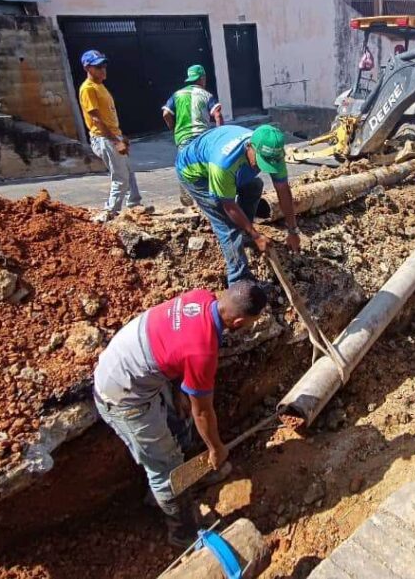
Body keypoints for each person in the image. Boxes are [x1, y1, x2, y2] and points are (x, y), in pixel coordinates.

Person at [94, 281, 269, 547]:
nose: (248, 328)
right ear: (238, 321)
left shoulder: (202, 298)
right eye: (249, 323)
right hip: (123, 395)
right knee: (166, 469)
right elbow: (203, 413)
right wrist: (216, 448)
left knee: (181, 420)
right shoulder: (202, 351)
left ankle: (191, 477)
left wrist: (179, 391)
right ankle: (182, 533)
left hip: (138, 368)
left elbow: (175, 341)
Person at [176, 124, 301, 285]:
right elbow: (228, 206)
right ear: (249, 146)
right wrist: (256, 235)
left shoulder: (273, 153)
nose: (261, 167)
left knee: (254, 186)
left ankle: (245, 235)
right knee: (226, 225)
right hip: (195, 174)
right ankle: (239, 282)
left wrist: (293, 229)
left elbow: (283, 190)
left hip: (227, 165)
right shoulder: (224, 163)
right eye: (260, 161)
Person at [78, 49, 142, 222]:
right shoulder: (88, 89)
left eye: (104, 65)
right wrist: (115, 141)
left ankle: (135, 206)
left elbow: (108, 115)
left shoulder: (100, 86)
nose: (103, 69)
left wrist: (121, 136)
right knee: (120, 177)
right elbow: (96, 118)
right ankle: (110, 212)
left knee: (129, 171)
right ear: (88, 68)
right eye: (98, 67)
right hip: (104, 138)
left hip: (113, 135)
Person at [162, 64, 224, 148]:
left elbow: (166, 114)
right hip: (202, 137)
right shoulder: (206, 95)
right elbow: (218, 115)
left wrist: (175, 130)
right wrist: (220, 136)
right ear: (202, 78)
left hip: (183, 139)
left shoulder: (177, 95)